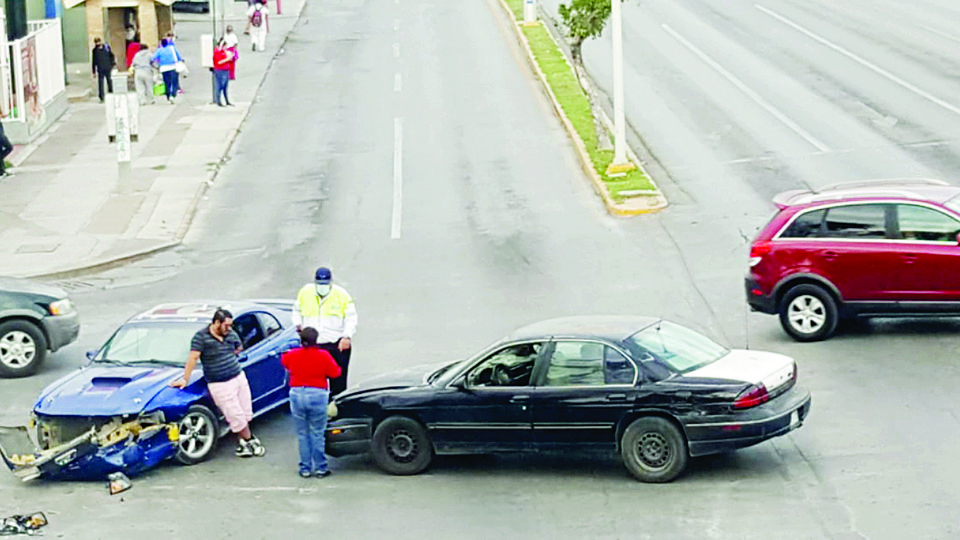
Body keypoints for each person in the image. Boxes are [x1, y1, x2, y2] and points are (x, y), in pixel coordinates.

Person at [170, 308, 266, 458]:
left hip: (238, 376)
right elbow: (193, 359)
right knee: (235, 416)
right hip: (220, 383)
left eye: (231, 325)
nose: (229, 329)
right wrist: (185, 379)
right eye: (226, 325)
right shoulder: (201, 338)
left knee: (245, 412)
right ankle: (251, 440)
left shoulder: (230, 334)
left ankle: (243, 444)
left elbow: (238, 347)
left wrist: (229, 356)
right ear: (216, 323)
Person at [281, 327, 341, 478]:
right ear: (316, 340)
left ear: (301, 340)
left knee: (302, 433)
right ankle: (321, 467)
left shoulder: (293, 354)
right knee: (317, 433)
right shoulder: (323, 355)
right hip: (317, 394)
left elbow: (284, 361)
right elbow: (335, 373)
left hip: (296, 393)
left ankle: (305, 468)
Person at [292, 267, 357, 396]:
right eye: (320, 284)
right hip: (314, 345)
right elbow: (296, 310)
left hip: (335, 344)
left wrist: (347, 337)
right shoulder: (305, 292)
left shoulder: (341, 295)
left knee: (338, 380)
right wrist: (298, 325)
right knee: (314, 382)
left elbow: (351, 317)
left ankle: (336, 407)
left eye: (325, 284)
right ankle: (319, 406)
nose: (322, 287)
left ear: (330, 282)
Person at [151, 38, 183, 104]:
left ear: (161, 44)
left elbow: (153, 58)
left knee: (167, 83)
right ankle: (173, 95)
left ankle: (168, 97)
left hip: (164, 68)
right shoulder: (172, 49)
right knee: (174, 82)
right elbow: (178, 57)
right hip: (173, 67)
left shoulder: (159, 50)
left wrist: (157, 62)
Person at [91, 37, 115, 103]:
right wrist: (94, 71)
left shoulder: (106, 48)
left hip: (107, 67)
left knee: (109, 81)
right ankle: (101, 96)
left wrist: (112, 64)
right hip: (100, 68)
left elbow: (112, 56)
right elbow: (94, 61)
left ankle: (111, 93)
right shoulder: (95, 51)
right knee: (100, 83)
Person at [213, 39, 235, 106]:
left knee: (225, 86)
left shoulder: (224, 52)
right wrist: (227, 59)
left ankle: (226, 100)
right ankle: (218, 100)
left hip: (226, 70)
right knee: (220, 86)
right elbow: (219, 62)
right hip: (220, 70)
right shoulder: (217, 52)